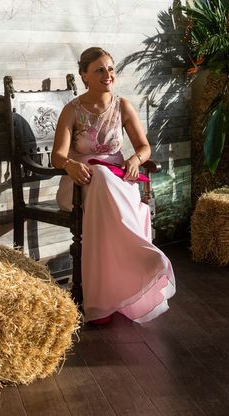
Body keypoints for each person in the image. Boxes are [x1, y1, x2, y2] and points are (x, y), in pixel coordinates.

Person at [52, 47, 175, 324]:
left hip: (118, 182)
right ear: (84, 75)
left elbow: (144, 147)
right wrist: (70, 165)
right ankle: (142, 259)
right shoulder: (71, 110)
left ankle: (109, 296)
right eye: (99, 70)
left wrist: (133, 159)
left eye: (110, 69)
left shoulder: (123, 106)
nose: (108, 75)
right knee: (100, 177)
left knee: (107, 179)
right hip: (79, 185)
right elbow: (57, 156)